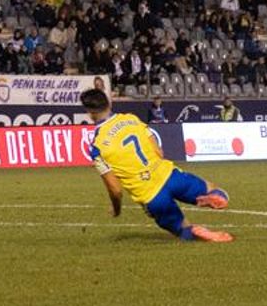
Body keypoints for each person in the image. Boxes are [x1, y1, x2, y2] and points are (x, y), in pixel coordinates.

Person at [81, 89, 233, 242]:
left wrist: (116, 209)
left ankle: (194, 231)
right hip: (169, 175)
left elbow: (115, 190)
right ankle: (215, 197)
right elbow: (158, 151)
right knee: (214, 189)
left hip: (151, 195)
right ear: (109, 103)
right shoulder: (131, 119)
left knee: (182, 230)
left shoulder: (97, 147)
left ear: (89, 112)